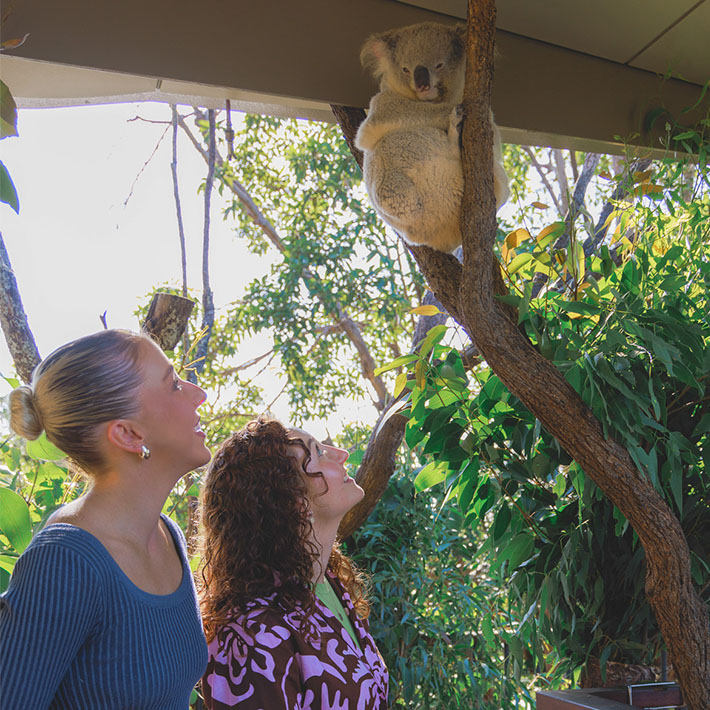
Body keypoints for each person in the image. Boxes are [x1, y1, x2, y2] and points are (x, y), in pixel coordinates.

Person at [0, 329, 211, 709]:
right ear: (129, 434)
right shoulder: (64, 562)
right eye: (174, 385)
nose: (199, 393)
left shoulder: (168, 535)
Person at [200, 417, 389, 709]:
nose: (341, 454)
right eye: (319, 453)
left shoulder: (331, 584)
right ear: (292, 501)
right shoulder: (252, 634)